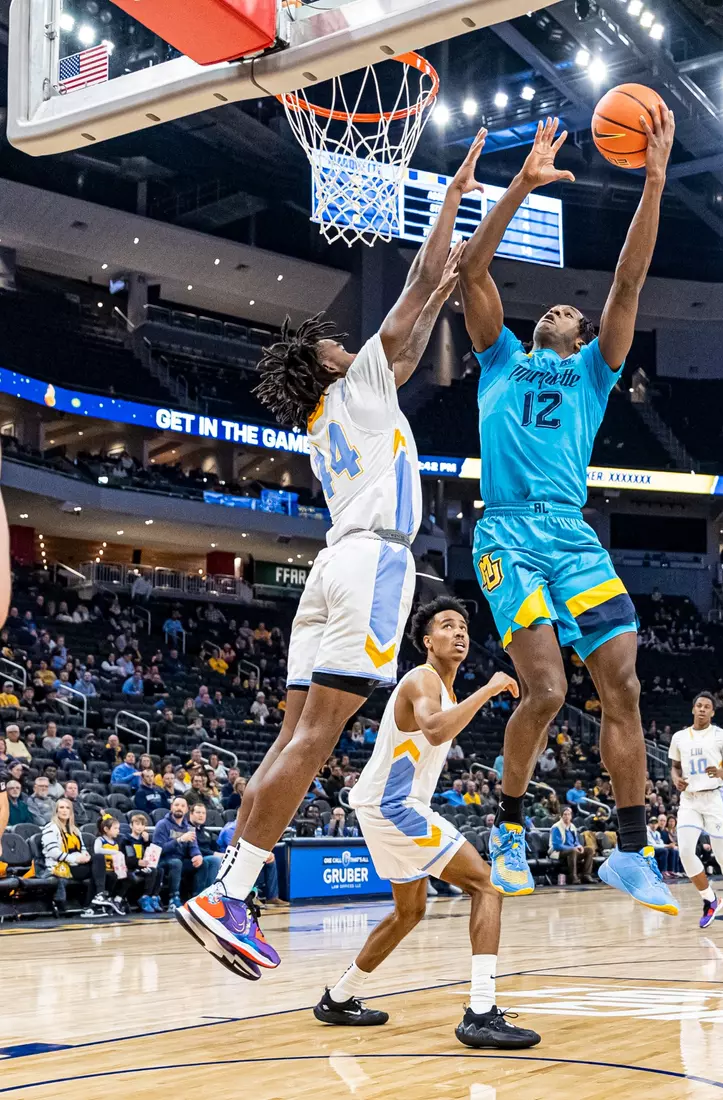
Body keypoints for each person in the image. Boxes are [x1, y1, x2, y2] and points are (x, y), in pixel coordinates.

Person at [177, 134, 489, 972]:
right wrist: (452, 197)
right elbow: (418, 289)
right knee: (314, 741)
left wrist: (445, 285)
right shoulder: (352, 388)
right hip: (372, 565)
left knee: (289, 742)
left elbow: (420, 322)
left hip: (328, 567)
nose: (349, 347)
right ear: (327, 368)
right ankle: (230, 894)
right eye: (336, 348)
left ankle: (226, 887)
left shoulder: (330, 416)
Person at [457, 112, 677, 914]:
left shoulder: (592, 370)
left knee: (622, 687)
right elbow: (470, 271)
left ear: (580, 333)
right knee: (544, 690)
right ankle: (509, 828)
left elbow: (627, 279)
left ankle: (629, 850)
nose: (553, 307)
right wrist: (519, 185)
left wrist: (652, 182)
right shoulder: (499, 359)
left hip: (572, 534)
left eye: (565, 311)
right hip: (507, 528)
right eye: (544, 307)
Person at [307, 597, 538, 1049]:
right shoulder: (422, 679)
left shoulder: (442, 688)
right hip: (396, 807)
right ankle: (481, 1012)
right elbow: (434, 729)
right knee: (487, 886)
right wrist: (489, 689)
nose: (459, 632)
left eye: (463, 626)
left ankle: (339, 998)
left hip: (382, 807)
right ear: (427, 641)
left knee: (410, 911)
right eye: (447, 626)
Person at [669, 693, 723, 931]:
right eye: (699, 706)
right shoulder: (679, 737)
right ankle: (710, 899)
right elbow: (674, 767)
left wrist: (720, 772)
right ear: (693, 709)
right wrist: (676, 780)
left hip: (714, 797)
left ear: (713, 712)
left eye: (707, 707)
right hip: (690, 799)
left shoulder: (722, 736)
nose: (702, 710)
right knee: (684, 852)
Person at [152, 797, 204, 910]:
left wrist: (197, 855)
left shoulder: (189, 828)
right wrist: (179, 840)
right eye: (176, 805)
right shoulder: (162, 824)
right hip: (163, 860)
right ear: (171, 808)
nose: (179, 808)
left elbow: (194, 847)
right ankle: (173, 898)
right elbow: (158, 849)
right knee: (176, 863)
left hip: (180, 861)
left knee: (209, 861)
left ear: (186, 810)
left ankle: (200, 897)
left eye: (182, 806)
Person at [92, 814, 131, 916]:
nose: (118, 831)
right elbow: (97, 850)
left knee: (128, 878)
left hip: (115, 869)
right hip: (104, 870)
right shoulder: (100, 840)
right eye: (115, 828)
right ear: (106, 829)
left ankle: (117, 899)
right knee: (112, 876)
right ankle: (107, 898)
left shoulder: (116, 843)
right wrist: (113, 852)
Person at [124, 812, 161, 912]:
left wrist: (146, 842)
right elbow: (127, 858)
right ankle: (145, 897)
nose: (140, 827)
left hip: (143, 866)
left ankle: (154, 897)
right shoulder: (126, 840)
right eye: (137, 824)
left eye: (142, 825)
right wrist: (138, 862)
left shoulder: (144, 840)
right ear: (131, 825)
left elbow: (150, 854)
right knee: (152, 871)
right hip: (133, 868)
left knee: (160, 870)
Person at [550, 806, 595, 885]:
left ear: (571, 816)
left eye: (568, 814)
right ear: (561, 816)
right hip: (558, 852)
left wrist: (579, 846)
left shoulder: (572, 826)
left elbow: (576, 842)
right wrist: (573, 848)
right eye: (565, 814)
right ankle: (573, 877)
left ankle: (586, 875)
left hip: (572, 850)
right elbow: (556, 845)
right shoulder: (556, 827)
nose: (567, 816)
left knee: (589, 849)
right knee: (573, 851)